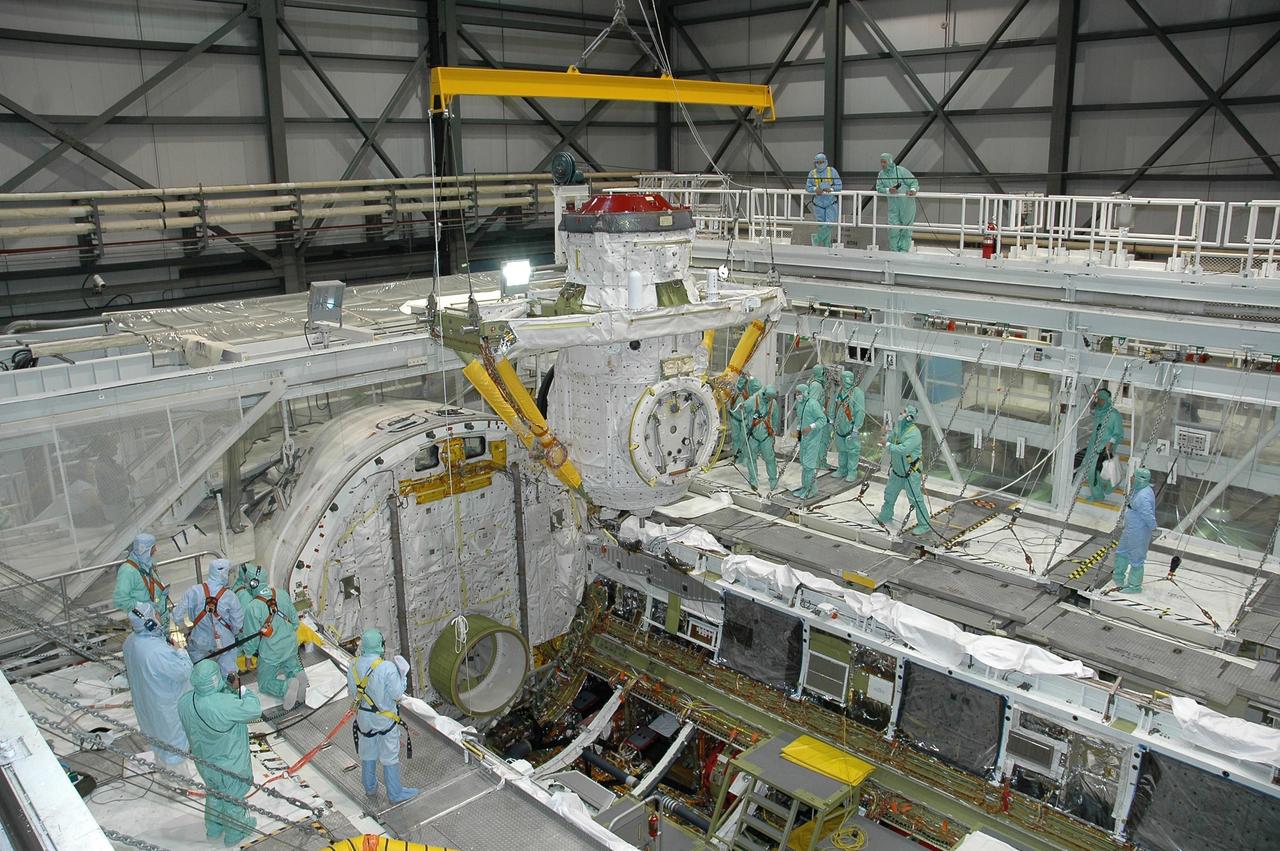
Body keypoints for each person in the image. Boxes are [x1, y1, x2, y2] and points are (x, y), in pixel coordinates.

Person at [178, 659, 262, 846]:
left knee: (214, 793)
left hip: (204, 762)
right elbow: (254, 709)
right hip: (229, 762)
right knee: (232, 798)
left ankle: (214, 827)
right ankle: (235, 833)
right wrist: (241, 688)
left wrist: (225, 692)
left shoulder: (185, 701)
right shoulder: (224, 704)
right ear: (215, 679)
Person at [348, 628, 418, 803]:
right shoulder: (387, 667)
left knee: (367, 752)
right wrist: (402, 675)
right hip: (385, 721)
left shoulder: (353, 665)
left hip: (364, 719)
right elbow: (397, 694)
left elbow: (352, 692)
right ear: (380, 646)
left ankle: (370, 787)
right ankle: (395, 794)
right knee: (389, 756)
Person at [122, 601, 193, 767]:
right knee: (174, 751)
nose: (160, 617)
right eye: (157, 615)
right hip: (166, 707)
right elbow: (184, 672)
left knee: (158, 741)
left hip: (147, 706)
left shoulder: (130, 641)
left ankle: (167, 770)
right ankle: (179, 779)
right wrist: (180, 651)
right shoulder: (159, 652)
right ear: (150, 622)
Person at [239, 579, 307, 709]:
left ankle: (285, 687)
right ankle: (298, 674)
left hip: (271, 651)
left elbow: (250, 637)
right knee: (291, 666)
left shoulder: (252, 607)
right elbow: (295, 621)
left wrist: (248, 656)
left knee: (264, 683)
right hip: (290, 644)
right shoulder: (281, 594)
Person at [173, 559, 244, 679]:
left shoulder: (193, 591)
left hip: (199, 643)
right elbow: (238, 624)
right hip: (225, 644)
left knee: (203, 677)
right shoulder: (230, 596)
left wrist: (184, 629)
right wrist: (234, 633)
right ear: (223, 574)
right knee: (230, 677)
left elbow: (177, 615)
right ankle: (232, 696)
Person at [878, 405, 931, 535]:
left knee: (915, 499)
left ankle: (925, 524)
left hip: (911, 472)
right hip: (897, 471)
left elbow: (903, 449)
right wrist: (885, 435)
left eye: (904, 412)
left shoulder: (914, 434)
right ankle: (885, 515)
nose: (901, 413)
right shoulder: (898, 427)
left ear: (910, 417)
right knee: (889, 494)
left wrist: (888, 444)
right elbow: (891, 439)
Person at [113, 533, 171, 630]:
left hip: (158, 617)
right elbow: (120, 600)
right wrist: (145, 608)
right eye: (153, 547)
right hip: (146, 623)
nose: (155, 550)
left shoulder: (146, 563)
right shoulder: (128, 571)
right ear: (145, 549)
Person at [1113, 467, 1157, 593]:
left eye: (1134, 476)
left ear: (1139, 479)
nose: (1131, 478)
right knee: (1122, 551)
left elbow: (1147, 515)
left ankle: (1134, 586)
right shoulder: (1139, 490)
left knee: (1137, 558)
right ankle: (1118, 576)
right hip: (1130, 529)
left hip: (1139, 532)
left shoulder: (1143, 496)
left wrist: (1154, 528)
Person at [1082, 388, 1124, 501]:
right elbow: (1091, 409)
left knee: (1094, 472)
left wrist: (1110, 443)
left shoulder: (1114, 414)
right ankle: (1099, 492)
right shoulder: (1098, 412)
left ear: (1107, 400)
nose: (1100, 402)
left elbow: (1118, 433)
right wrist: (1094, 399)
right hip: (1093, 446)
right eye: (1098, 399)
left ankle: (1099, 494)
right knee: (1096, 471)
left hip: (1104, 447)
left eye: (1102, 399)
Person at [874, 153, 919, 252]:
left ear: (890, 161)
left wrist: (912, 190)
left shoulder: (901, 171)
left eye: (884, 162)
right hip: (893, 207)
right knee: (892, 229)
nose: (882, 164)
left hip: (907, 204)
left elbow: (913, 182)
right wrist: (888, 190)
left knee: (906, 230)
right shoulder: (881, 174)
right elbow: (879, 188)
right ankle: (893, 252)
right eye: (881, 162)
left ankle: (903, 252)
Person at [791, 382, 827, 500]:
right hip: (805, 439)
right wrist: (798, 432)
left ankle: (812, 490)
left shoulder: (813, 404)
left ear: (805, 393)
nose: (797, 395)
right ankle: (805, 487)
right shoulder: (800, 404)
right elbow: (800, 419)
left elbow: (823, 419)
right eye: (796, 393)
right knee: (804, 463)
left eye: (799, 393)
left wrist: (811, 427)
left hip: (813, 438)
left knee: (809, 465)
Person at [745, 384, 781, 492]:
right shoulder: (753, 401)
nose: (769, 400)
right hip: (753, 435)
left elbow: (775, 418)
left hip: (766, 436)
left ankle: (773, 480)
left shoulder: (773, 403)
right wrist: (742, 407)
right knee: (751, 459)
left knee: (770, 459)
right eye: (768, 397)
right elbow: (743, 409)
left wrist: (773, 430)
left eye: (771, 398)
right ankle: (753, 480)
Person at [832, 370, 866, 483]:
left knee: (852, 451)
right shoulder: (840, 391)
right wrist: (831, 419)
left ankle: (852, 472)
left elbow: (860, 411)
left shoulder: (857, 393)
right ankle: (842, 469)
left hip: (850, 426)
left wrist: (856, 427)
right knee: (841, 449)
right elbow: (833, 404)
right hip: (839, 425)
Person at [806, 152, 842, 247]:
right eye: (818, 162)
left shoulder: (832, 171)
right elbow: (808, 187)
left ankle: (816, 239)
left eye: (822, 162)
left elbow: (839, 185)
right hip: (818, 204)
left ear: (826, 162)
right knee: (822, 226)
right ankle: (827, 247)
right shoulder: (812, 173)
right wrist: (815, 189)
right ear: (815, 163)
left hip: (831, 202)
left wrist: (831, 189)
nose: (820, 164)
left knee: (829, 224)